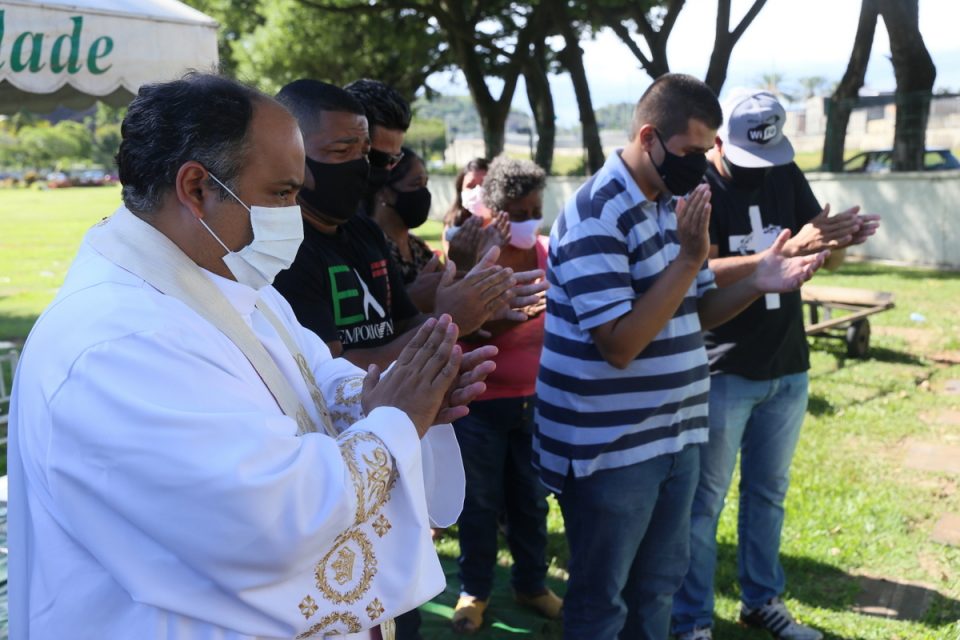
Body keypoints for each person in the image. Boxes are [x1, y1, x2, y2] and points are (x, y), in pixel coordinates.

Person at [8, 72, 499, 639]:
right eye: (283, 194)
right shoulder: (115, 341)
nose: (295, 212)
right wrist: (394, 421)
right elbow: (264, 521)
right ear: (197, 188)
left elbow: (313, 378)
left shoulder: (230, 280)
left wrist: (394, 392)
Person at [534, 73, 830, 640]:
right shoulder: (597, 211)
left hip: (675, 437)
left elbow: (696, 311)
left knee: (658, 591)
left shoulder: (670, 203)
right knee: (602, 605)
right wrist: (689, 260)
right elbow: (619, 344)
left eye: (706, 150)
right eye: (691, 151)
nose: (700, 164)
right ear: (649, 138)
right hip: (610, 451)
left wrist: (759, 281)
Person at [671, 92, 879, 640]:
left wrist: (836, 241)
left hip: (787, 365)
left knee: (768, 493)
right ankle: (692, 619)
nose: (757, 171)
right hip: (723, 368)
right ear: (718, 142)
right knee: (704, 503)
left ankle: (761, 600)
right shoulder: (698, 187)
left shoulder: (782, 170)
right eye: (746, 159)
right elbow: (697, 271)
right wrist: (780, 254)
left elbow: (816, 249)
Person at [272, 79, 546, 373]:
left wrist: (475, 306)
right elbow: (328, 373)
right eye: (342, 151)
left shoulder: (365, 232)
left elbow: (403, 324)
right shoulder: (284, 251)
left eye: (365, 153)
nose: (363, 166)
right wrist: (448, 320)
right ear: (291, 153)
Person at [449, 156, 562, 634]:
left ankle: (531, 584)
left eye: (535, 211)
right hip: (480, 402)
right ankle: (474, 590)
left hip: (532, 400)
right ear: (494, 212)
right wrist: (504, 317)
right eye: (518, 213)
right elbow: (454, 325)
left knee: (531, 501)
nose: (529, 221)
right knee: (479, 503)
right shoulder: (471, 253)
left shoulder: (546, 252)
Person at [368, 147, 440, 312]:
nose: (424, 193)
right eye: (416, 184)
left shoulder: (418, 247)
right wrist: (411, 300)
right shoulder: (369, 248)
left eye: (425, 184)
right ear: (384, 192)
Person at [443, 158, 510, 271]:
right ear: (461, 190)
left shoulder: (504, 229)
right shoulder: (451, 228)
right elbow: (451, 270)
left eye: (484, 185)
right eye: (471, 186)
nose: (478, 191)